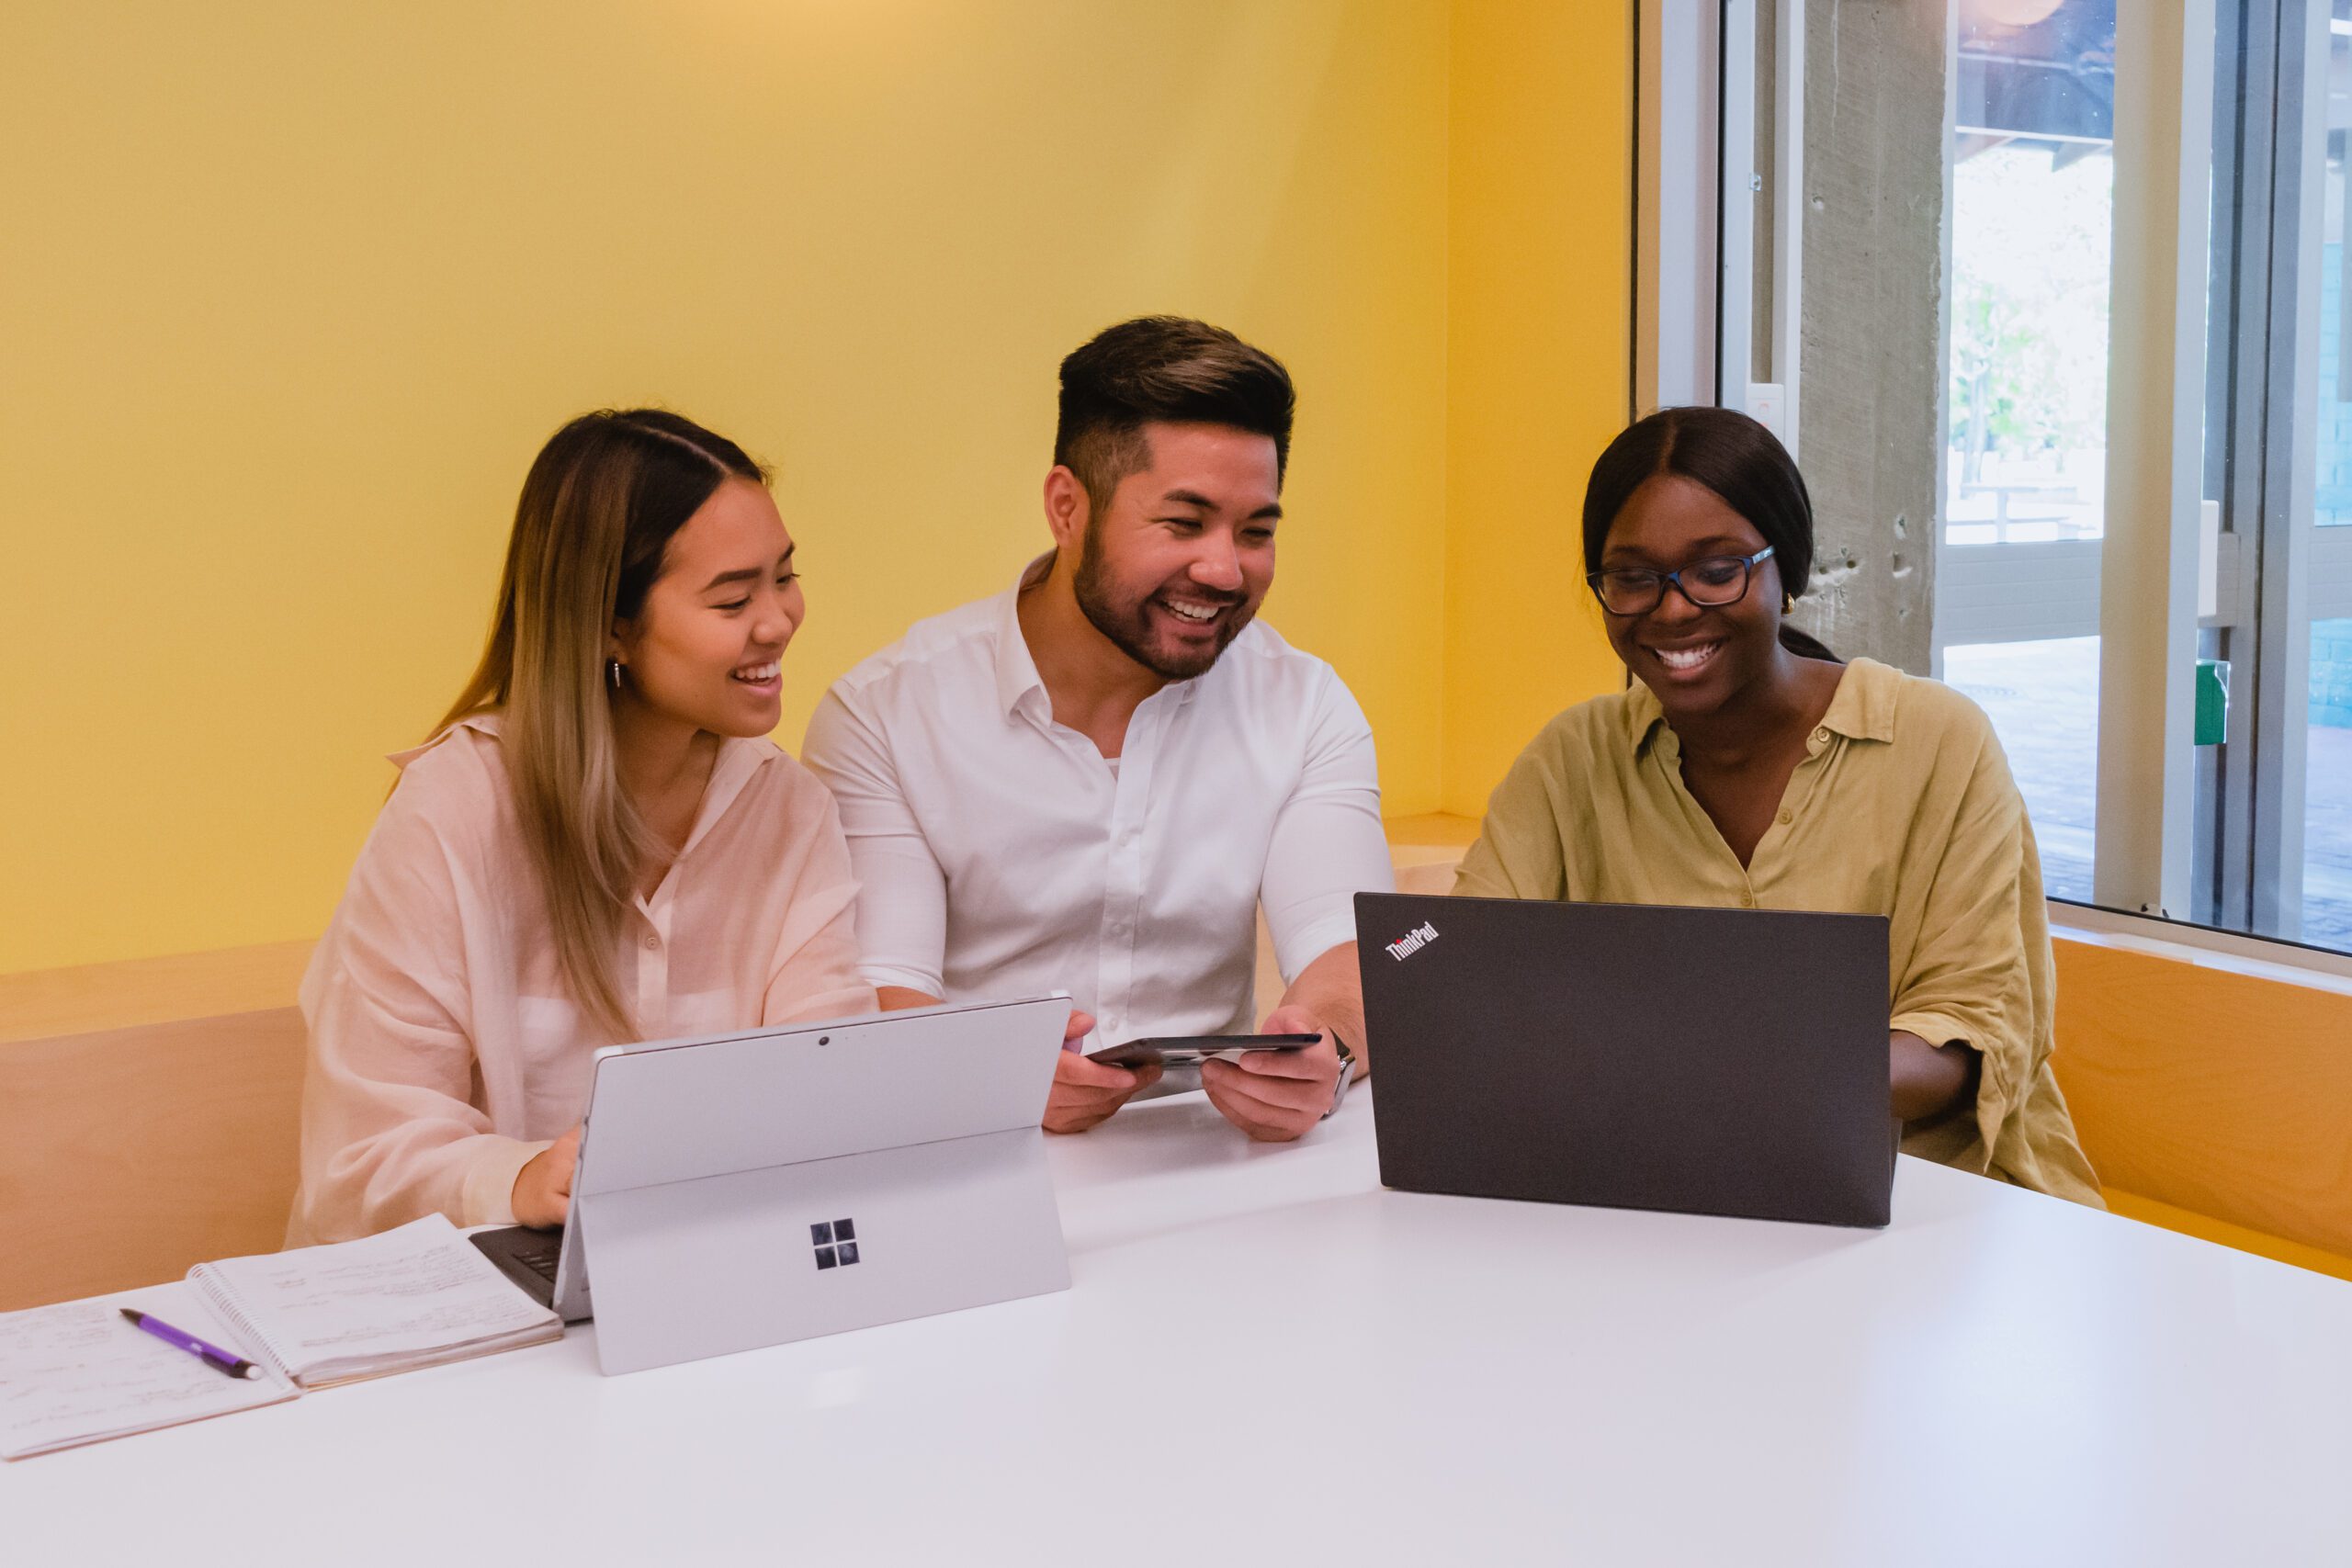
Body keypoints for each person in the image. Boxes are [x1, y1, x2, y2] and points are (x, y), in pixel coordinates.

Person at [1454, 406, 2101, 1203]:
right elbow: (1466, 985)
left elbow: (1957, 1043)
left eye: (1717, 569)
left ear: (1786, 572)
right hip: (1667, 1203)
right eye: (1631, 576)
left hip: (1936, 1206)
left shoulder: (1939, 742)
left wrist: (1709, 1085)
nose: (1673, 608)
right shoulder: (1571, 760)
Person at [288, 410, 874, 1245]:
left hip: (707, 1271)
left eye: (785, 577)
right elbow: (362, 1160)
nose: (778, 620)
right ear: (610, 626)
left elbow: (831, 1077)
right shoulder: (454, 811)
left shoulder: (788, 808)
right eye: (734, 597)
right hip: (471, 1301)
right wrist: (520, 1179)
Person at [802, 316, 1393, 1142]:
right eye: (1184, 523)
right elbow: (885, 993)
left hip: (1219, 1167)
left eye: (1256, 531)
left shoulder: (1306, 703)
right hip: (975, 1159)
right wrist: (990, 1074)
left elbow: (1350, 951)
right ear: (1067, 507)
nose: (1224, 570)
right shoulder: (886, 715)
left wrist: (1323, 1051)